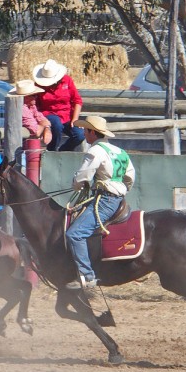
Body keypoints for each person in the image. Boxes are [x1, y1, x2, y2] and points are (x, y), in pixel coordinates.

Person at [65, 116, 135, 289]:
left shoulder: (95, 151)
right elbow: (130, 177)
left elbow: (83, 176)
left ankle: (87, 276)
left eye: (85, 130)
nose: (83, 132)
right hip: (118, 198)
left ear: (92, 132)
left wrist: (77, 185)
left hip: (105, 200)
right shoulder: (120, 152)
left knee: (74, 234)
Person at [32, 59, 84, 151]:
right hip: (48, 114)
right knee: (56, 123)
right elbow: (35, 105)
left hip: (67, 116)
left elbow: (77, 100)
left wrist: (75, 118)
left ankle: (63, 151)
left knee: (79, 135)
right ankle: (52, 149)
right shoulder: (38, 85)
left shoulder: (67, 80)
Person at [7, 79, 52, 145]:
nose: (36, 97)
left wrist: (47, 127)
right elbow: (36, 131)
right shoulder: (22, 109)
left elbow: (40, 117)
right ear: (26, 97)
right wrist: (44, 125)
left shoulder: (31, 106)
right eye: (34, 95)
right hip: (18, 144)